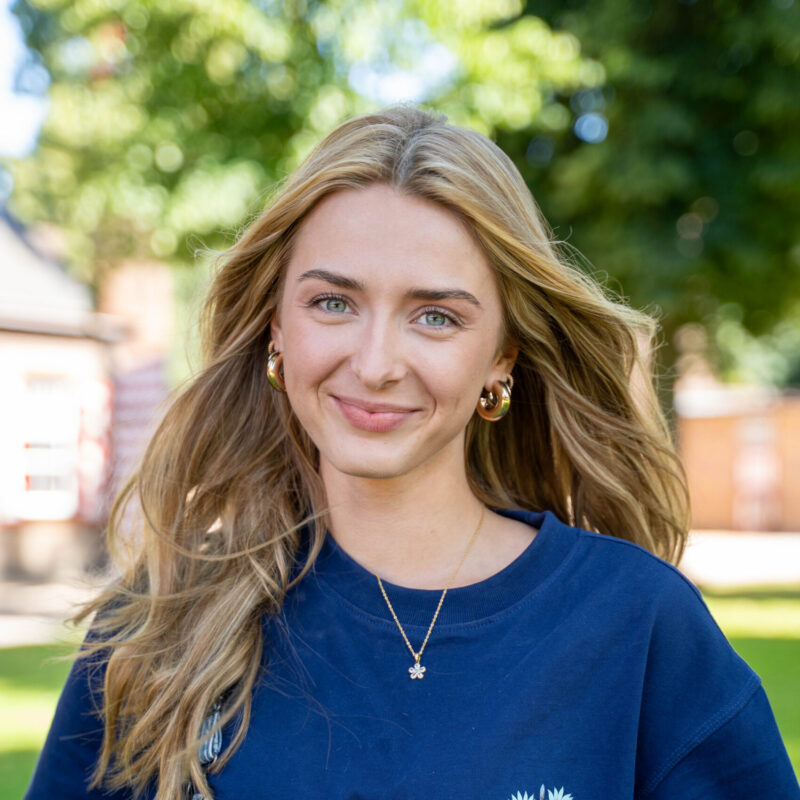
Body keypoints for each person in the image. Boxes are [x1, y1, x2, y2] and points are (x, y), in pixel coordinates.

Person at [26, 105, 798, 800]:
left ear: (502, 357)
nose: (374, 364)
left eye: (435, 316)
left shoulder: (637, 623)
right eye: (334, 303)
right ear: (276, 327)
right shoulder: (160, 622)